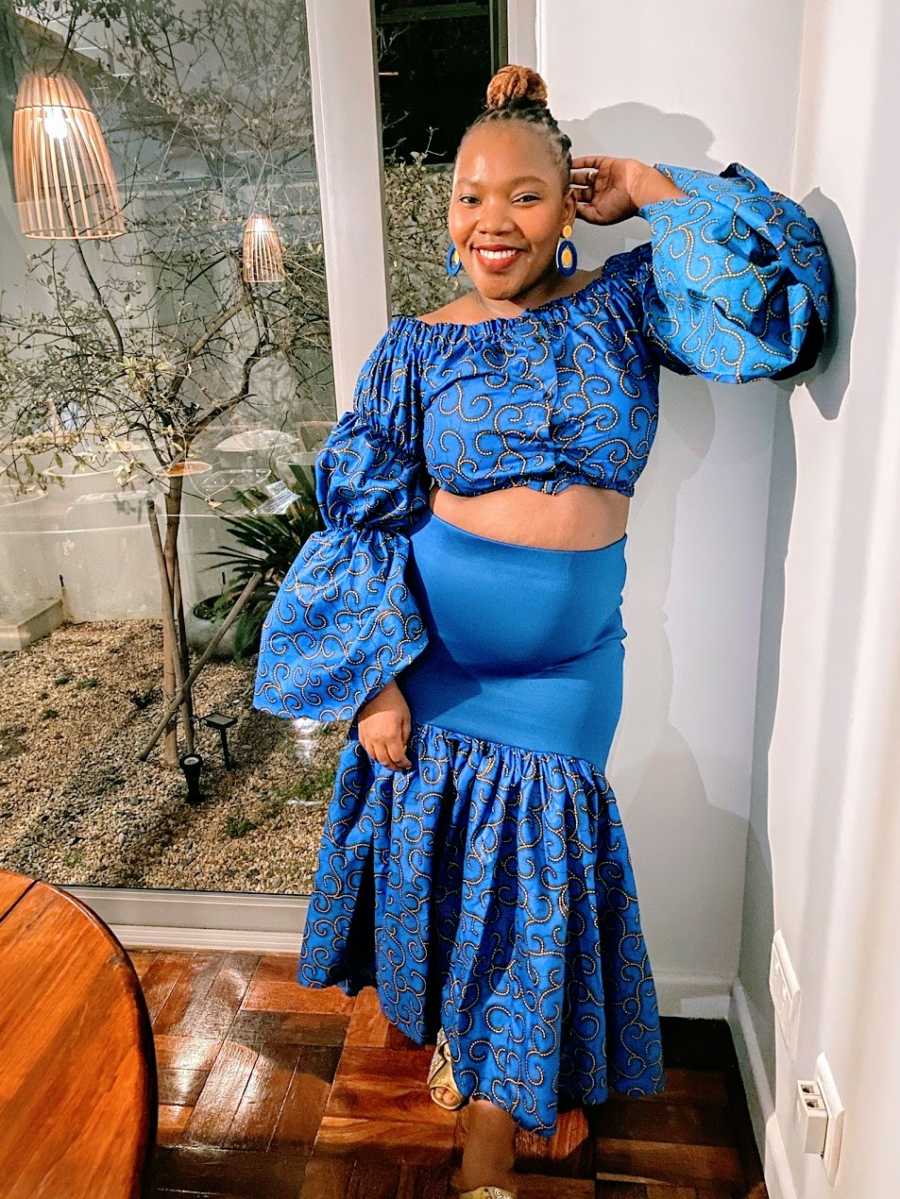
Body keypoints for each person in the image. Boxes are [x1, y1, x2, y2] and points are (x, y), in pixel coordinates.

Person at [252, 64, 833, 1199]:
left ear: (571, 200)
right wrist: (375, 681)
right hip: (436, 668)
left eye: (524, 194)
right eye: (470, 197)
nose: (492, 221)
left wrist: (657, 191)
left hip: (568, 675)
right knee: (456, 888)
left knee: (532, 881)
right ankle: (496, 1071)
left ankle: (487, 1156)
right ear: (447, 212)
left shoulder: (630, 302)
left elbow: (783, 310)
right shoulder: (415, 348)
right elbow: (358, 517)